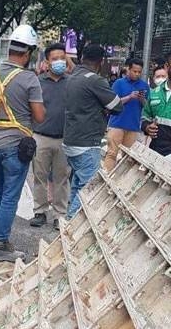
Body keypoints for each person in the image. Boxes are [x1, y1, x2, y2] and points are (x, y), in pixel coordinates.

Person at [0, 24, 46, 262]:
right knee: (10, 195)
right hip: (16, 146)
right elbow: (39, 117)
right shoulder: (29, 79)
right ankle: (1, 245)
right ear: (27, 53)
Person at [62, 43, 123, 219]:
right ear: (101, 61)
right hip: (87, 143)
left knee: (77, 185)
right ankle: (70, 224)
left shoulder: (72, 77)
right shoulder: (95, 80)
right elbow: (117, 106)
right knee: (88, 188)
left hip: (71, 140)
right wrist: (103, 108)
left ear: (82, 58)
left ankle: (70, 221)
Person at [29, 43, 71, 230]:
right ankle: (40, 211)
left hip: (65, 138)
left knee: (62, 178)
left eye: (63, 57)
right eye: (55, 59)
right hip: (41, 136)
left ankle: (59, 214)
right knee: (40, 176)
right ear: (47, 61)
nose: (60, 62)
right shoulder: (38, 82)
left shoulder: (71, 82)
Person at [103, 57, 150, 171]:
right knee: (112, 153)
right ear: (128, 69)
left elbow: (147, 107)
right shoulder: (118, 83)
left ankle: (120, 182)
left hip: (133, 126)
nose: (137, 74)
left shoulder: (144, 86)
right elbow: (112, 103)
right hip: (117, 124)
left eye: (139, 72)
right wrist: (129, 97)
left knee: (128, 158)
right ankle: (107, 175)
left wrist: (142, 99)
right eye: (134, 71)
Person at [143, 68, 171, 156]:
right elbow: (145, 116)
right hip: (156, 149)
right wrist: (147, 127)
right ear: (167, 66)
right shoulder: (154, 92)